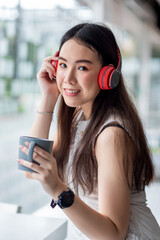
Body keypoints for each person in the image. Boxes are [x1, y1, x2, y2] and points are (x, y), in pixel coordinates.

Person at [18, 23, 160, 240]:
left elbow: (114, 234)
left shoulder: (111, 134)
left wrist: (58, 189)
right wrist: (48, 98)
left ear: (107, 76)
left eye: (82, 68)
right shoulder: (79, 119)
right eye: (63, 65)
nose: (68, 78)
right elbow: (30, 167)